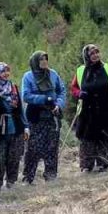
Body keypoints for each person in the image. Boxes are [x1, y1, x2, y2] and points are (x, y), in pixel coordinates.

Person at [70, 44, 108, 172]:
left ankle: (103, 164)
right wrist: (79, 93)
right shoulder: (81, 70)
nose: (95, 55)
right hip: (88, 111)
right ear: (87, 56)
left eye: (97, 52)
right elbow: (73, 87)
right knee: (87, 138)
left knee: (106, 136)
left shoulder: (107, 68)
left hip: (107, 109)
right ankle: (86, 166)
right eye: (92, 54)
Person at [20, 51, 65, 184]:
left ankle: (51, 176)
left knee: (52, 148)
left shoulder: (53, 74)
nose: (44, 62)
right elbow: (26, 96)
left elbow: (61, 91)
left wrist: (59, 104)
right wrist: (44, 99)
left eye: (46, 59)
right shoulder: (28, 77)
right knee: (33, 149)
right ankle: (28, 178)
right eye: (41, 60)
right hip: (36, 116)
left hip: (52, 116)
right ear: (35, 62)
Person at [0, 62, 28, 190]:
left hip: (16, 128)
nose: (6, 74)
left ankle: (11, 182)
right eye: (3, 71)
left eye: (7, 71)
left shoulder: (13, 88)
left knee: (14, 157)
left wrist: (26, 126)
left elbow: (20, 109)